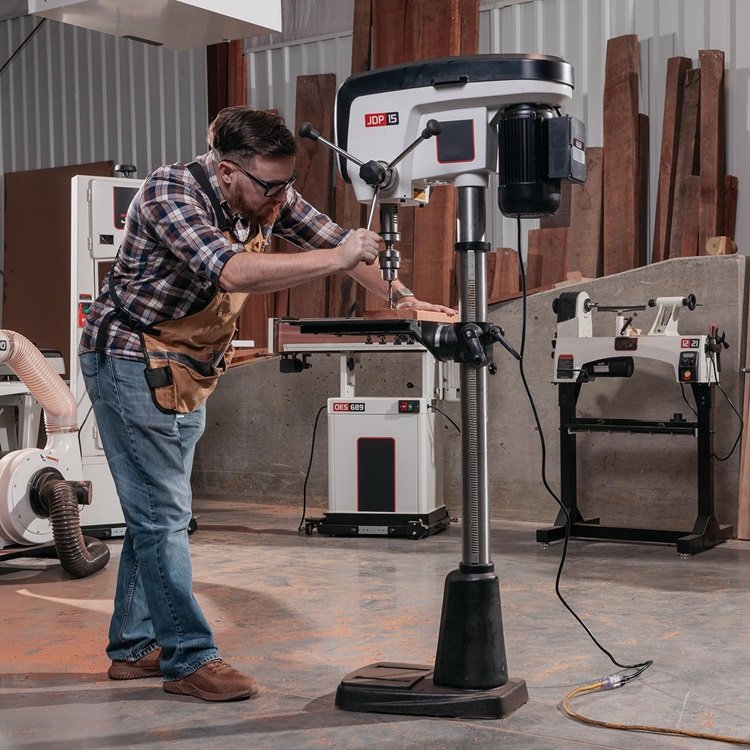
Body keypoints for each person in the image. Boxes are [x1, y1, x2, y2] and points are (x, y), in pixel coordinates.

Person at [79, 105, 456, 702]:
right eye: (269, 186)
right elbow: (230, 271)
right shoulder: (169, 192)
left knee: (156, 512)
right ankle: (188, 658)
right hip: (130, 357)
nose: (282, 199)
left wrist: (411, 304)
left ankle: (133, 646)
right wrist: (335, 259)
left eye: (289, 184)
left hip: (187, 366)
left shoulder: (269, 193)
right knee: (164, 517)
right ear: (228, 172)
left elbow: (344, 247)